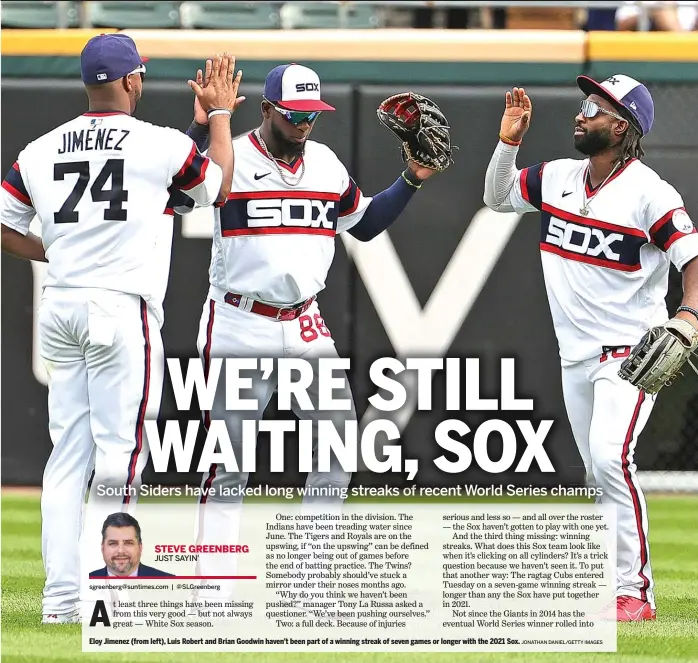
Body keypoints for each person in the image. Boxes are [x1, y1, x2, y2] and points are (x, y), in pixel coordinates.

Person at [173, 62, 441, 599]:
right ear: (269, 109)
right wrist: (203, 127)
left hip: (305, 322)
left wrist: (410, 179)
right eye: (294, 114)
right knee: (230, 464)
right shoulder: (233, 156)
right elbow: (180, 193)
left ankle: (309, 581)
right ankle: (215, 587)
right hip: (238, 319)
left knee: (339, 451)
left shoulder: (323, 162)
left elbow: (362, 224)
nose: (304, 124)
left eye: (312, 114)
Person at [0, 34, 241, 624]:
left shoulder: (39, 149)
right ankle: (109, 596)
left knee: (65, 461)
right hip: (119, 312)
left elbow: (4, 227)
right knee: (121, 456)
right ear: (133, 81)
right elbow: (217, 188)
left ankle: (61, 602)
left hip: (61, 307)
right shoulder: (155, 143)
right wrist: (220, 116)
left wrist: (59, 255)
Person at [483, 75, 698, 621]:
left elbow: (692, 258)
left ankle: (635, 593)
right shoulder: (557, 175)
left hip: (629, 354)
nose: (581, 115)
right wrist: (508, 143)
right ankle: (612, 586)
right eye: (583, 106)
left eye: (594, 109)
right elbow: (499, 197)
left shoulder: (651, 192)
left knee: (608, 457)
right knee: (593, 469)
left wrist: (689, 315)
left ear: (620, 126)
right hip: (574, 355)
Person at [90, 513, 173, 578]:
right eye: (113, 543)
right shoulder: (84, 584)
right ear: (102, 547)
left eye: (128, 543)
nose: (120, 551)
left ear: (140, 547)